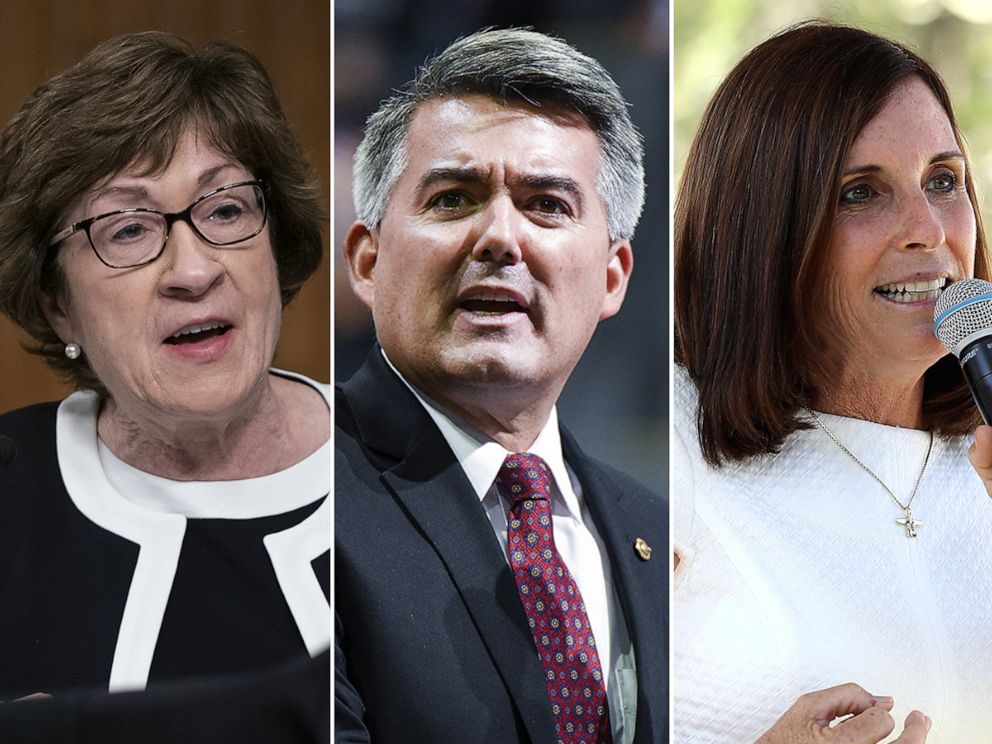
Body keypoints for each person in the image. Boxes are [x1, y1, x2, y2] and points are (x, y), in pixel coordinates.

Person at [336, 27, 667, 744]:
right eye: (453, 198)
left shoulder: (656, 530)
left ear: (612, 278)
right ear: (366, 261)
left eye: (548, 204)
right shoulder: (286, 493)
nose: (499, 238)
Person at [674, 20, 992, 743]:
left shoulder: (982, 453)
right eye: (860, 192)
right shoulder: (672, 444)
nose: (928, 229)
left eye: (943, 180)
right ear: (764, 229)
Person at [0, 31, 330, 704]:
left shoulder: (409, 467)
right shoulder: (12, 490)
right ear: (58, 306)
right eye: (127, 229)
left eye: (226, 208)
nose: (194, 269)